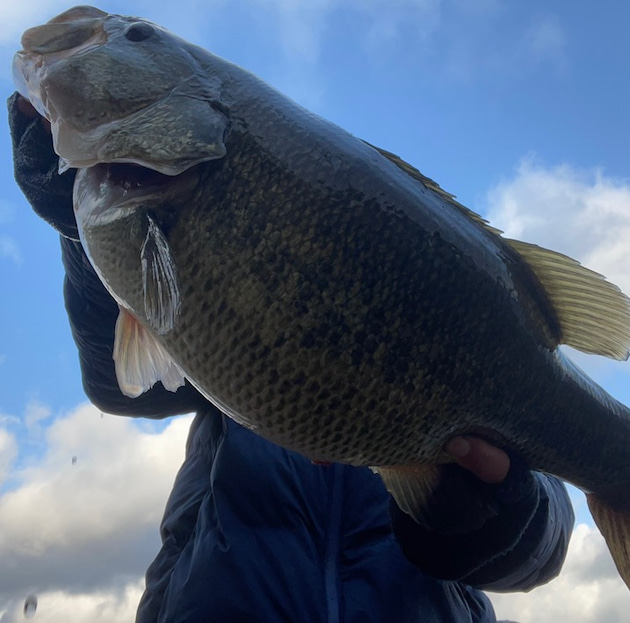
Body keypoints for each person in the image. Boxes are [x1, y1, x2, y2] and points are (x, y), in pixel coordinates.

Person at [8, 92, 574, 623]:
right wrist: (91, 226)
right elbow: (121, 384)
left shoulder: (481, 379)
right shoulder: (232, 346)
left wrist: (490, 513)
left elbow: (540, 554)